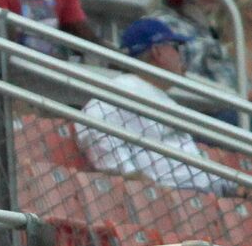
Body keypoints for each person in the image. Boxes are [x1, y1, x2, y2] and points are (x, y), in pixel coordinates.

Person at [81, 18, 230, 194]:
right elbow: (91, 123)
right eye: (176, 47)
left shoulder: (161, 97)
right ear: (157, 52)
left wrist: (231, 186)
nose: (180, 55)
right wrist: (132, 176)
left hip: (200, 197)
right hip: (166, 198)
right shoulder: (124, 87)